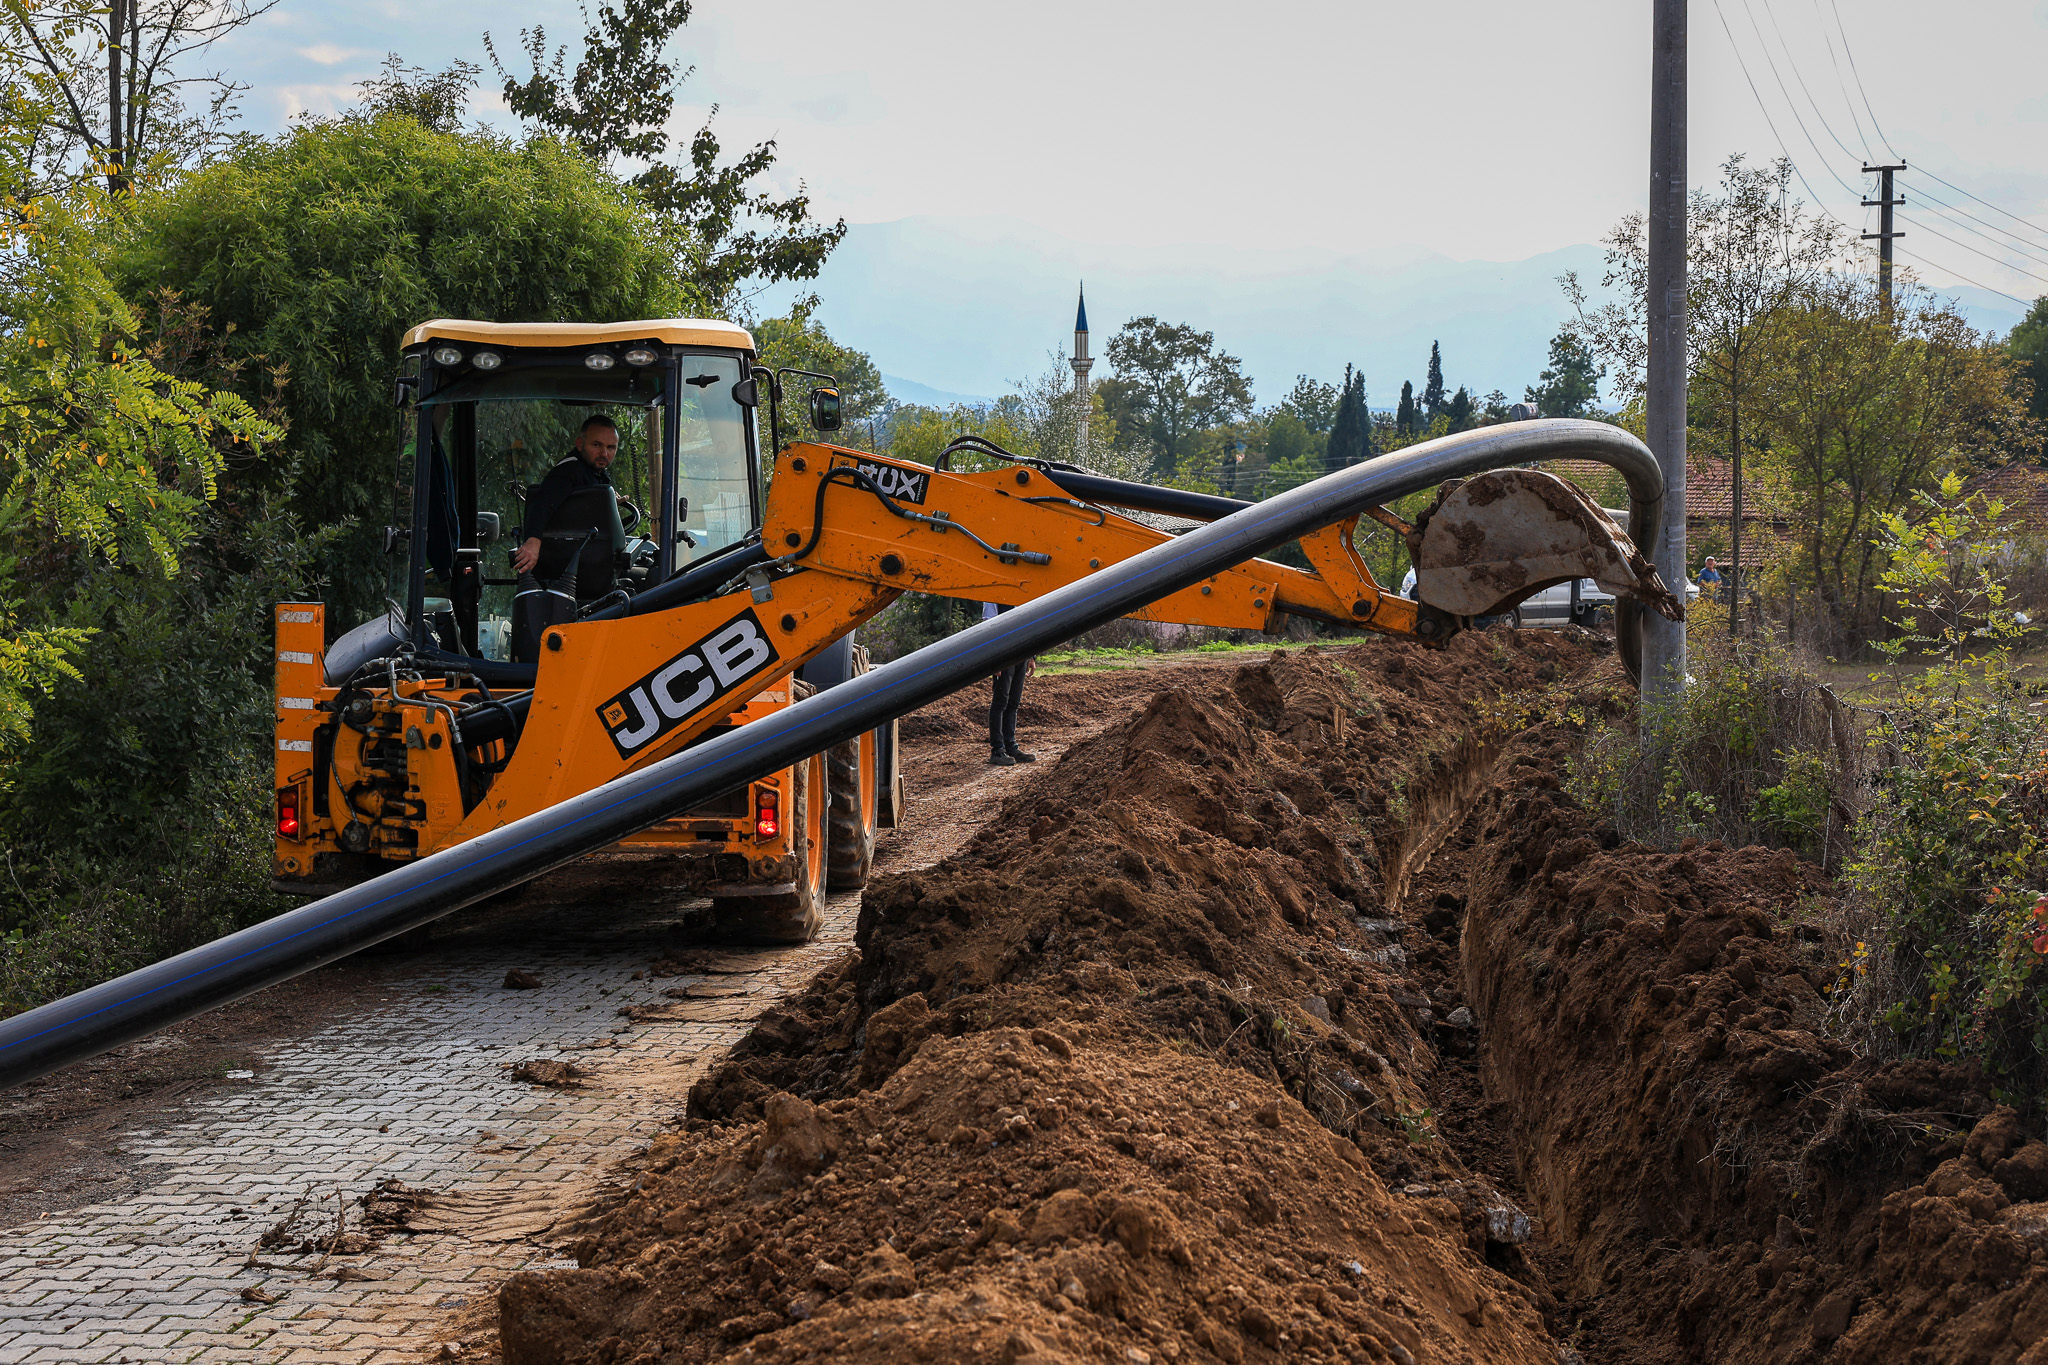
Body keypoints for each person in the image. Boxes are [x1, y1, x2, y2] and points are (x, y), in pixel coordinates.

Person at [513, 414, 627, 600]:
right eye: (596, 445)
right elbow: (542, 504)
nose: (604, 454)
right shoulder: (567, 472)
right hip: (575, 574)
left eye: (611, 447)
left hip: (590, 569)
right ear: (580, 444)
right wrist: (533, 541)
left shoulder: (592, 474)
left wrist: (609, 505)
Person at [983, 601, 1037, 767]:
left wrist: (1032, 655)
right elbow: (989, 624)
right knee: (1000, 701)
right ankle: (997, 749)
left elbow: (1031, 623)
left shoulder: (1022, 593)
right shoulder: (992, 594)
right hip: (1004, 654)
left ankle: (1010, 746)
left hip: (1021, 652)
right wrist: (995, 659)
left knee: (1013, 702)